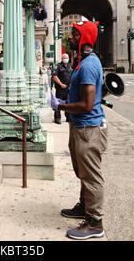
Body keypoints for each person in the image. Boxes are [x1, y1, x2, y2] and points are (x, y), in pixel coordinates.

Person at [51, 20, 108, 240]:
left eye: (74, 34)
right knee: (83, 172)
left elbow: (86, 104)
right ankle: (84, 207)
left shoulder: (87, 65)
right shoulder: (82, 62)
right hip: (80, 126)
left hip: (88, 128)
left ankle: (95, 222)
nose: (70, 38)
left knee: (91, 175)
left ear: (84, 39)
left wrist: (61, 105)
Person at [52, 53, 72, 124]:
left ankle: (68, 117)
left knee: (68, 103)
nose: (66, 59)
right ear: (62, 58)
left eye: (67, 58)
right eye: (64, 58)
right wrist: (61, 84)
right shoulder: (58, 66)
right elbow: (54, 76)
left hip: (68, 88)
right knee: (58, 103)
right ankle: (57, 118)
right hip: (60, 88)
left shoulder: (70, 66)